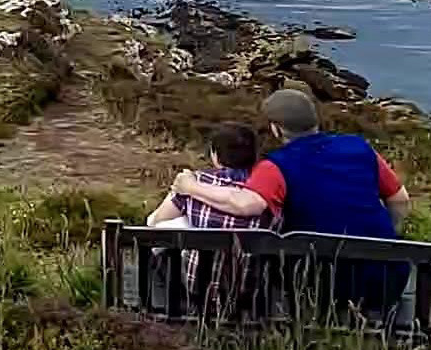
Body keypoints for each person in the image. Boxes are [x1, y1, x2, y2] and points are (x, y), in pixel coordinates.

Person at [173, 88, 412, 311]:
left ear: (276, 129)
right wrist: (385, 241)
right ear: (315, 120)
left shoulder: (276, 166)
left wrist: (191, 186)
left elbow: (245, 204)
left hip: (319, 286)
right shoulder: (359, 147)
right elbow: (400, 200)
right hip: (387, 278)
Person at [145, 124, 273, 308]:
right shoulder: (264, 190)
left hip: (197, 285)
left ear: (215, 155)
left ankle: (166, 312)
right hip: (248, 288)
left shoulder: (194, 182)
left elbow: (157, 222)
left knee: (162, 251)